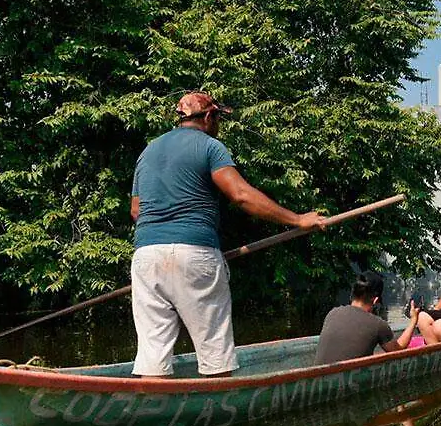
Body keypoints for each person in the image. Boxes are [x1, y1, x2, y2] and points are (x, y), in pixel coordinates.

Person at [130, 92, 325, 378]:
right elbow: (241, 195)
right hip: (195, 252)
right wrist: (298, 220)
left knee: (152, 356)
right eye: (218, 117)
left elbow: (137, 211)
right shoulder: (210, 146)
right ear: (209, 117)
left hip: (145, 256)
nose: (219, 123)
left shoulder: (148, 151)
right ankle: (218, 415)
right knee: (214, 355)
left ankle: (149, 411)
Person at [314, 271, 420, 366]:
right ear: (375, 300)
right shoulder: (378, 324)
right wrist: (413, 320)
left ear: (353, 295)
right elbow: (397, 350)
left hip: (318, 375)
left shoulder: (332, 313)